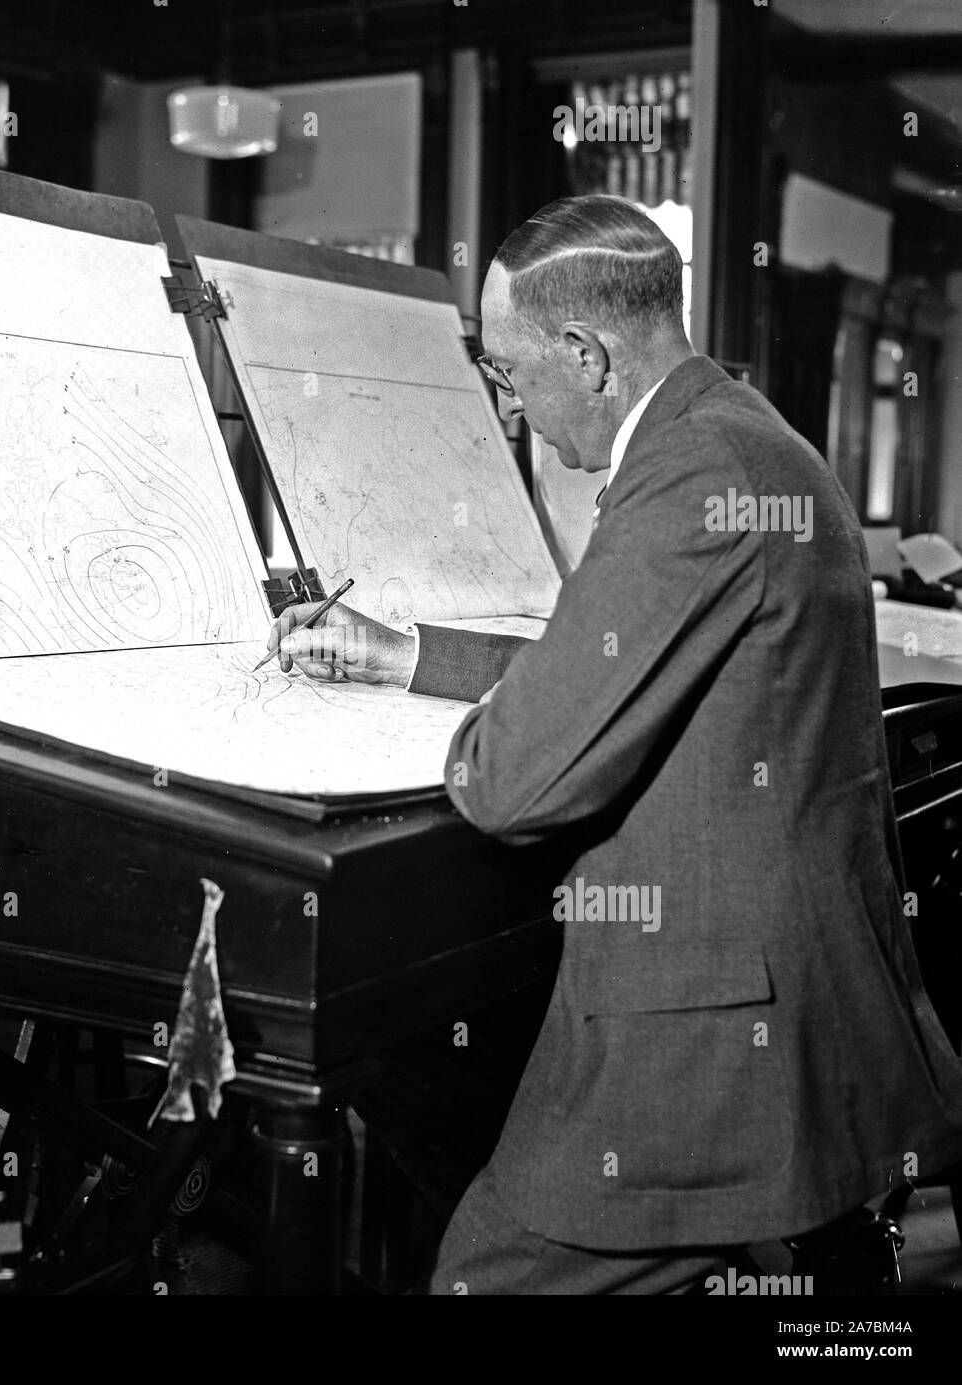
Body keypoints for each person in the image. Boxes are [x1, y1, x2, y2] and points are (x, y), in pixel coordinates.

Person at [266, 194, 962, 1294]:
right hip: (798, 991)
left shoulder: (693, 479)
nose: (510, 406)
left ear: (586, 355)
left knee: (477, 1278)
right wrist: (401, 654)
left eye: (506, 373)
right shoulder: (735, 434)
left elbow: (508, 781)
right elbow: (619, 670)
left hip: (720, 1037)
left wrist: (472, 738)